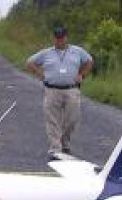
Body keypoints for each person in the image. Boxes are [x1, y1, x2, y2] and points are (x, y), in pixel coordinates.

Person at [26, 25, 93, 157]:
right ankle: (56, 149)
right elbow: (30, 62)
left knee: (72, 119)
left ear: (66, 37)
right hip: (52, 90)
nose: (59, 40)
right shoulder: (46, 53)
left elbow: (89, 61)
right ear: (53, 38)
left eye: (62, 37)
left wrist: (82, 75)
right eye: (57, 38)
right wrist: (41, 74)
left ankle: (65, 143)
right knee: (52, 120)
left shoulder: (77, 51)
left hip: (71, 89)